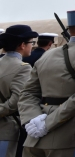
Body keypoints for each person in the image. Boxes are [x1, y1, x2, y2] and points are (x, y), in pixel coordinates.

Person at [19, 8, 75, 157]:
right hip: (69, 136)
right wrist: (48, 123)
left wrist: (33, 119)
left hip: (35, 137)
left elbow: (27, 93)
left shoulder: (48, 55)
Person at [0, 25, 37, 157]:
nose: (32, 46)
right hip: (7, 129)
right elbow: (17, 101)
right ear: (22, 45)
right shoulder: (23, 68)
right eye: (31, 42)